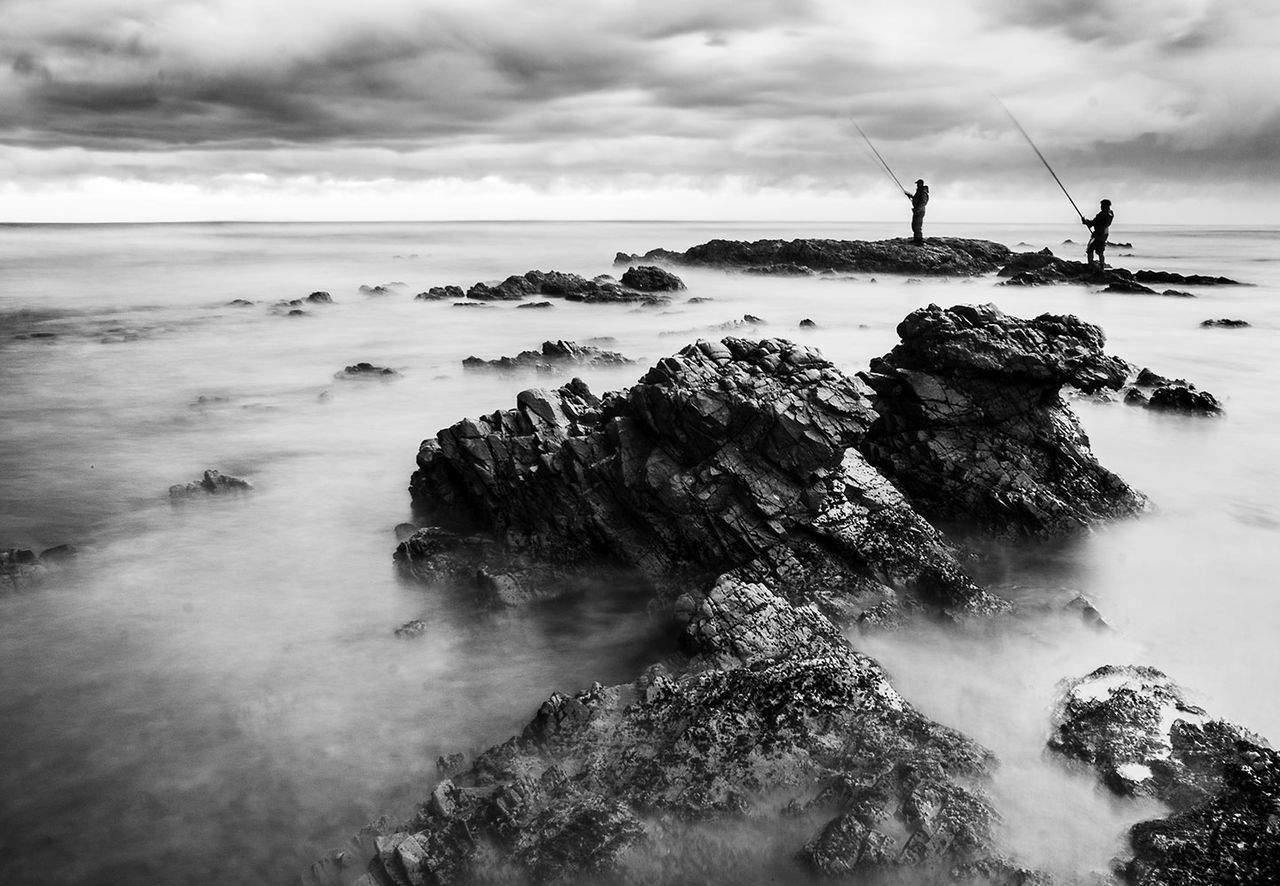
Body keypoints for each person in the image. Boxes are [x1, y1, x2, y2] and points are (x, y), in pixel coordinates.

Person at [1083, 198, 1113, 268]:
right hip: (1105, 234)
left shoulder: (1102, 214)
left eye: (1102, 205)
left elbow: (1093, 223)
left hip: (1098, 234)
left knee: (1090, 249)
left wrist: (1085, 221)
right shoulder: (1111, 214)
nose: (1101, 207)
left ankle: (1090, 265)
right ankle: (1102, 265)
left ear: (1105, 206)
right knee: (1100, 251)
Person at [906, 179, 928, 245]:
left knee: (917, 225)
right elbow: (917, 199)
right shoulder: (919, 191)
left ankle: (919, 241)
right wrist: (910, 196)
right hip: (917, 210)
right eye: (917, 184)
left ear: (921, 184)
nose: (917, 185)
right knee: (914, 225)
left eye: (918, 184)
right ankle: (916, 239)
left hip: (919, 211)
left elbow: (923, 202)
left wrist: (917, 209)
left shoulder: (923, 192)